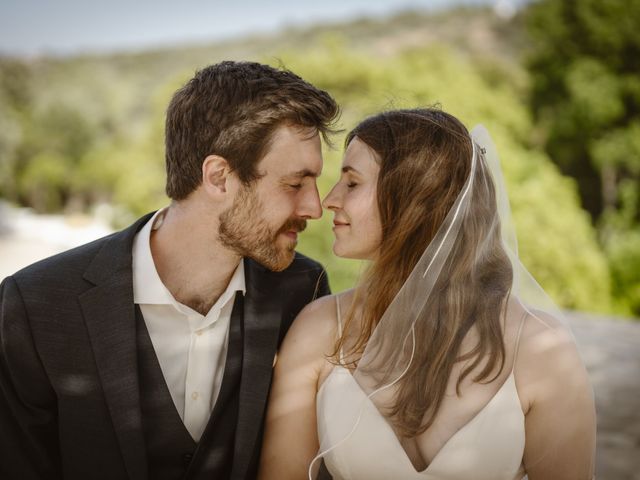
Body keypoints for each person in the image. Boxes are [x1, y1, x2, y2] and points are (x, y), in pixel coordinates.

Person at [0, 60, 339, 480]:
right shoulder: (36, 304)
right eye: (295, 184)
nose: (315, 207)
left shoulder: (303, 291)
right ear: (218, 177)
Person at [259, 108, 596, 480]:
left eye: (352, 183)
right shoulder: (320, 328)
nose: (329, 201)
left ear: (412, 199)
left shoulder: (540, 349)